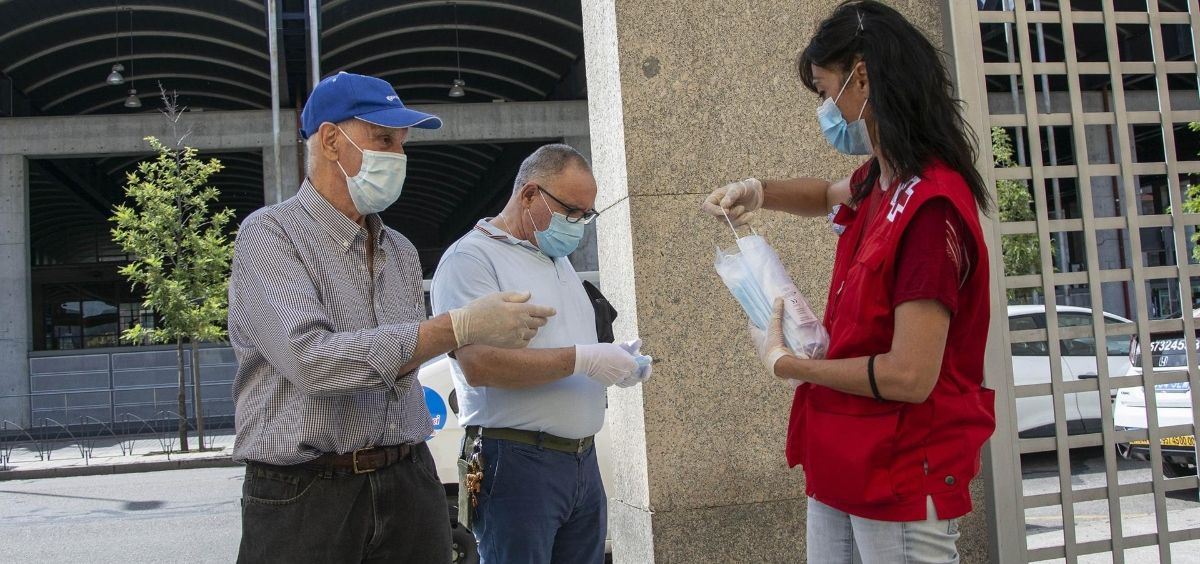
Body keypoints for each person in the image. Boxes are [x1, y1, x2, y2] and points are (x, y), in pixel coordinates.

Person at [702, 2, 996, 562]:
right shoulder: (883, 180)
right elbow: (825, 194)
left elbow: (909, 375)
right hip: (845, 457)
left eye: (823, 91)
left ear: (860, 76)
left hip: (902, 468)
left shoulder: (929, 210)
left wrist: (786, 363)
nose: (824, 111)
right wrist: (756, 190)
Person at [228, 72, 556, 564]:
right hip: (305, 492)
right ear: (332, 140)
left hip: (407, 478)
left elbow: (403, 363)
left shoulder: (399, 251)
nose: (398, 157)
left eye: (402, 145)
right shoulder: (271, 237)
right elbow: (312, 363)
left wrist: (463, 335)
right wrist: (457, 326)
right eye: (383, 139)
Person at [430, 144, 651, 564]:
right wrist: (584, 359)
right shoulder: (470, 260)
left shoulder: (556, 258)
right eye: (571, 211)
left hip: (581, 461)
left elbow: (564, 343)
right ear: (529, 194)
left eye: (586, 215)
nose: (578, 225)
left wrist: (612, 360)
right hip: (515, 461)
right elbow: (478, 365)